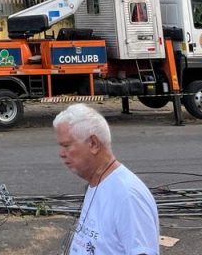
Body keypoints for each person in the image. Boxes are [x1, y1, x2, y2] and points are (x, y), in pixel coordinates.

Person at [53, 104, 159, 255]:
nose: (61, 153)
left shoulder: (128, 196)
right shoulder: (96, 183)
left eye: (67, 145)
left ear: (93, 144)